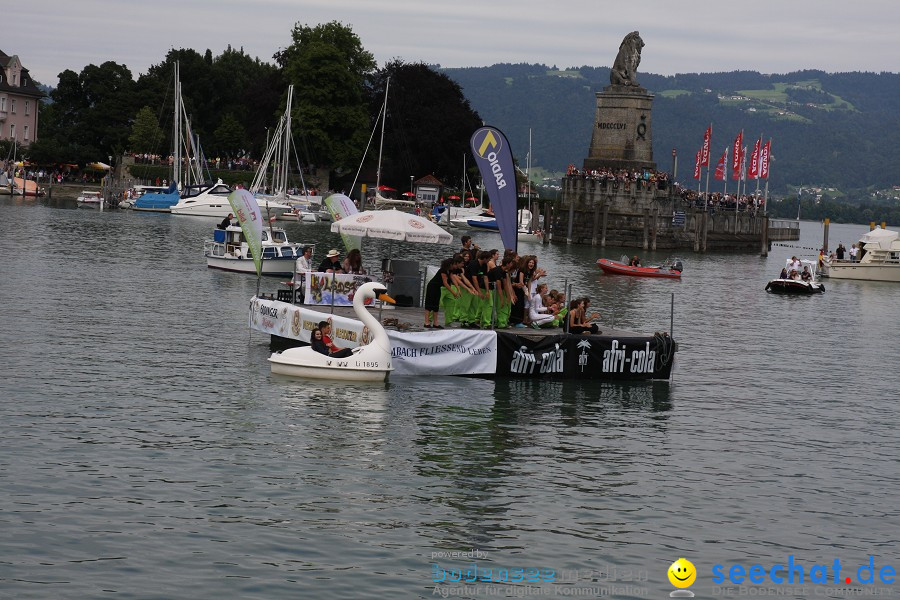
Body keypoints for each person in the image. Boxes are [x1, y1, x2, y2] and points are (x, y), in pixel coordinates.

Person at [424, 257, 458, 329]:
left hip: (438, 288)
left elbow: (453, 279)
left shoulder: (450, 271)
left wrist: (458, 289)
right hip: (432, 287)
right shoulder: (443, 270)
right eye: (454, 264)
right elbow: (445, 283)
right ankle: (426, 322)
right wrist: (453, 292)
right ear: (450, 264)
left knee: (436, 305)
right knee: (429, 304)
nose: (455, 266)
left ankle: (435, 323)